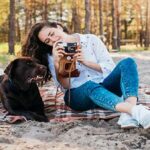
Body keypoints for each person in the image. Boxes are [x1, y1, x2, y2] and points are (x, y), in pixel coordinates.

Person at [22, 21, 150, 129]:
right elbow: (67, 85)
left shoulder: (90, 40)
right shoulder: (53, 55)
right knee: (89, 85)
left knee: (127, 62)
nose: (53, 40)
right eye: (48, 41)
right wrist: (58, 63)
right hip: (78, 96)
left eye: (52, 34)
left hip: (106, 87)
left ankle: (128, 113)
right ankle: (135, 111)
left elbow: (110, 68)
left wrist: (86, 62)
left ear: (58, 27)